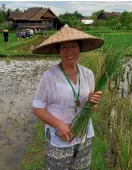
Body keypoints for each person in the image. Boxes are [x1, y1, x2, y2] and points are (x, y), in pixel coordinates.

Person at [32, 25, 104, 170]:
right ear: (59, 51)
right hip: (59, 139)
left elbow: (93, 109)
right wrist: (59, 125)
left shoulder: (88, 74)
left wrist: (93, 102)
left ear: (80, 49)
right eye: (64, 47)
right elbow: (38, 108)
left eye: (74, 46)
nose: (69, 51)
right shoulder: (49, 76)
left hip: (84, 136)